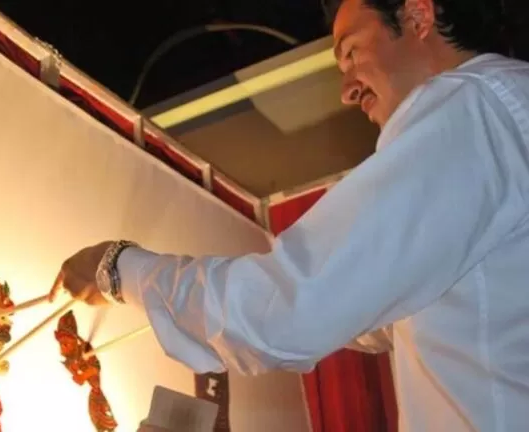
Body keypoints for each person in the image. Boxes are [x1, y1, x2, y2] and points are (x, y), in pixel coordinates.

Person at [49, 0, 529, 430]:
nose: (346, 91)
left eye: (351, 52)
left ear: (418, 16)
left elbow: (289, 310)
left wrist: (118, 270)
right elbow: (360, 307)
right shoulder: (502, 113)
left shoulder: (473, 109)